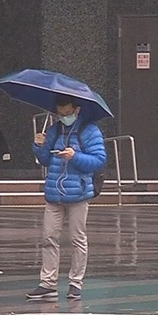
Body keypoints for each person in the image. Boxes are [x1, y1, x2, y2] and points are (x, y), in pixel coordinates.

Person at [26, 97, 107, 301]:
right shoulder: (54, 131)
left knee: (77, 238)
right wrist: (39, 146)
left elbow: (99, 160)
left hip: (78, 193)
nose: (64, 117)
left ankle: (75, 283)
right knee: (49, 237)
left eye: (67, 113)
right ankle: (48, 283)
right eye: (60, 114)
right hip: (55, 193)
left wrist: (75, 156)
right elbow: (45, 159)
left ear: (76, 110)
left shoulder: (89, 130)